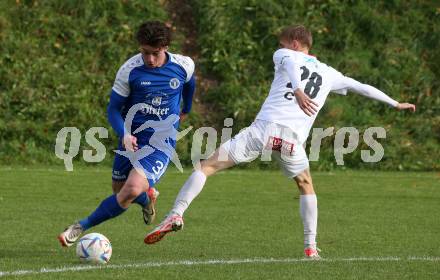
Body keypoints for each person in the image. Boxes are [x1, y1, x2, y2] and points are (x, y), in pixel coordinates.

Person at [144, 24, 416, 258]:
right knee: (306, 185)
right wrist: (394, 103)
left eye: (283, 42)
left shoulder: (285, 53)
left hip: (263, 131)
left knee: (206, 167)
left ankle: (176, 214)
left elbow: (287, 63)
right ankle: (311, 247)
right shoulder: (330, 73)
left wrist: (297, 89)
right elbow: (361, 86)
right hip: (291, 141)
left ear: (295, 43)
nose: (280, 47)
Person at [58, 20, 196, 247]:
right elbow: (113, 109)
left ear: (166, 47)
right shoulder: (129, 70)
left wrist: (187, 109)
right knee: (120, 191)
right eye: (144, 52)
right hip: (132, 138)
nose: (149, 59)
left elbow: (190, 83)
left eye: (155, 53)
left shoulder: (183, 65)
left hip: (160, 140)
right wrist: (124, 134)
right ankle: (147, 198)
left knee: (129, 189)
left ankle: (80, 226)